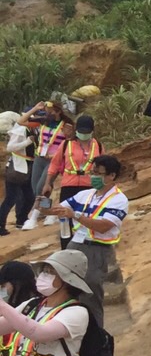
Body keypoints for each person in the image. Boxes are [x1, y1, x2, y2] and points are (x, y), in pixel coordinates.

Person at [56, 155, 127, 308]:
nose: (93, 176)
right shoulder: (86, 194)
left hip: (96, 248)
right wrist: (43, 207)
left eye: (98, 173)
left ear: (111, 176)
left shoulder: (119, 200)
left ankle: (95, 329)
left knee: (90, 293)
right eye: (92, 172)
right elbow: (61, 209)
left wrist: (75, 215)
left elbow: (103, 226)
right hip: (76, 244)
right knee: (66, 287)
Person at [41, 115, 102, 248]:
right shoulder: (66, 144)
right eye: (81, 131)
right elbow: (54, 164)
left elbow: (104, 166)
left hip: (89, 187)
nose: (83, 134)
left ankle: (87, 245)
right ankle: (66, 247)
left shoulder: (98, 146)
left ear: (92, 130)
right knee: (65, 218)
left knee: (87, 218)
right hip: (69, 186)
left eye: (86, 132)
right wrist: (47, 183)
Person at [20, 102, 66, 230]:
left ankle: (33, 218)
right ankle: (49, 212)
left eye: (51, 111)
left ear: (58, 112)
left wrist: (57, 155)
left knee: (41, 186)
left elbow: (69, 142)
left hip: (53, 160)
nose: (48, 113)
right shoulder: (42, 122)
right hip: (39, 158)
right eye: (46, 111)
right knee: (36, 188)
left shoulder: (65, 125)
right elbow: (21, 121)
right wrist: (35, 108)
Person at [0, 112, 34, 236]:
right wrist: (27, 142)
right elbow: (10, 147)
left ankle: (21, 220)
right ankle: (1, 225)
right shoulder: (20, 130)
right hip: (16, 168)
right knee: (10, 199)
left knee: (29, 196)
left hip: (27, 168)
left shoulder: (33, 129)